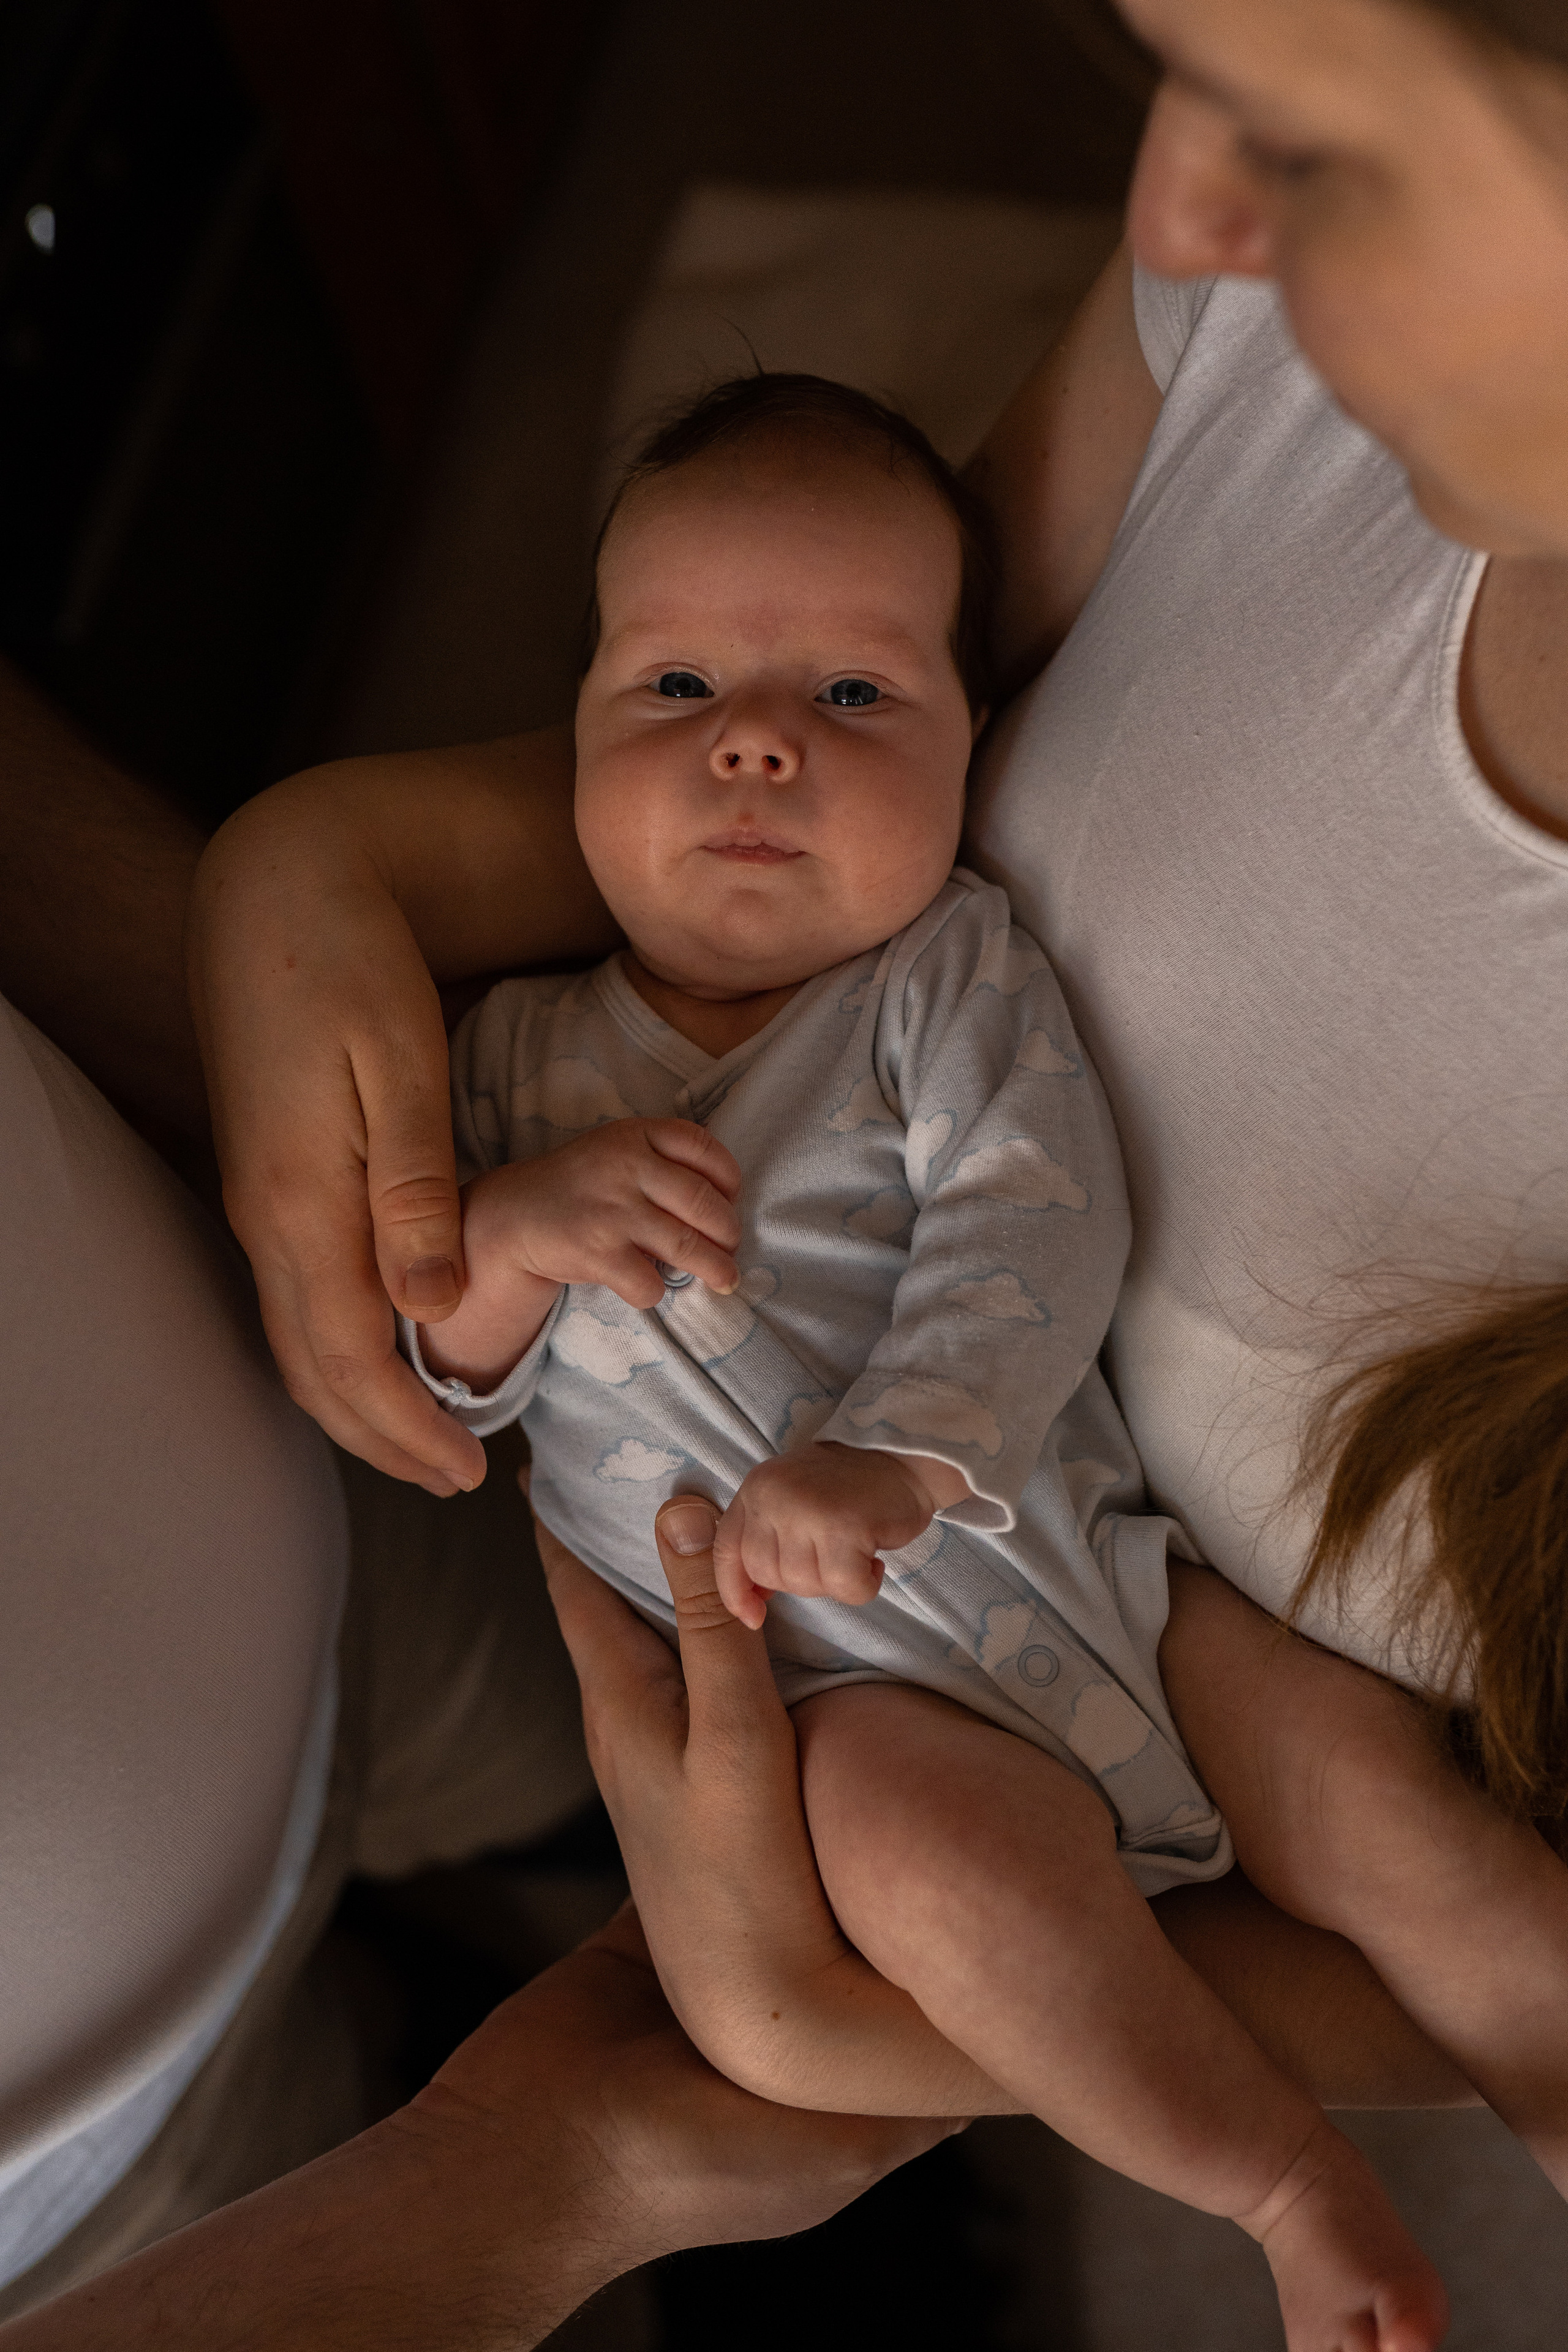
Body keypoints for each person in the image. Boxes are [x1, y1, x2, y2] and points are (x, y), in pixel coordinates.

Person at [183, 0, 1568, 2188]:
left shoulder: (950, 977)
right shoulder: (528, 1043)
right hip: (825, 1680)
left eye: (1309, 92)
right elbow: (442, 1376)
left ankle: (1325, 2176)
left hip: (1064, 1546)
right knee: (936, 1881)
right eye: (666, 688)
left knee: (1385, 1830)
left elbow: (1034, 1208)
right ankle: (1277, 2187)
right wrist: (332, 892)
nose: (1186, 216)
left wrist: (902, 1457)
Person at [0, 652, 953, 2341]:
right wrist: (535, 2191)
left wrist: (276, 966)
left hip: (334, 1462)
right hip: (113, 2202)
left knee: (673, 1788)